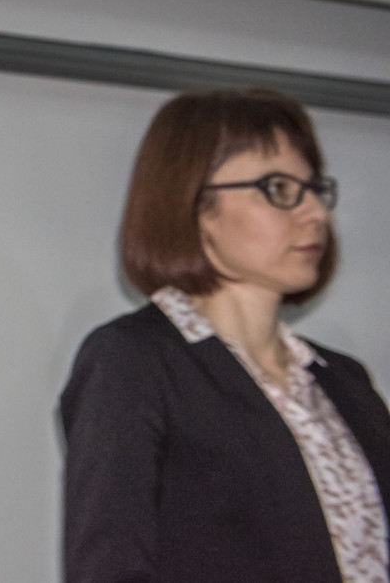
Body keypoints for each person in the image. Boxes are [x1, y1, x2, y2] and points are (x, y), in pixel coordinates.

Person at [60, 89, 390, 583]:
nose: (315, 214)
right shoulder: (133, 361)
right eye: (278, 189)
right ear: (196, 207)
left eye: (314, 189)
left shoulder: (344, 379)